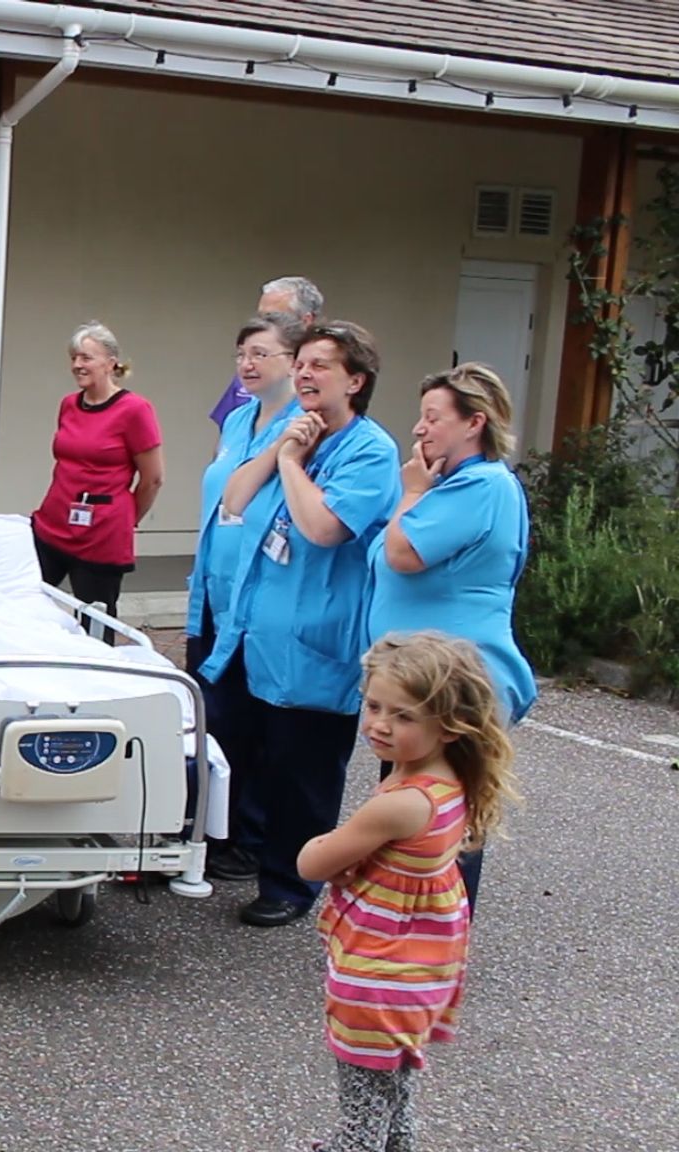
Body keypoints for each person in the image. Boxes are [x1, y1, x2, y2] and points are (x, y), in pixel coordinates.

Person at [199, 321, 401, 927]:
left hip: (317, 636)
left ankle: (292, 882)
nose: (306, 375)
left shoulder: (370, 450)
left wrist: (293, 462)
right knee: (238, 747)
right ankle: (240, 853)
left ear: (356, 382)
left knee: (302, 770)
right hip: (255, 628)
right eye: (304, 364)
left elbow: (322, 528)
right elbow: (233, 499)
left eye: (322, 367)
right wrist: (280, 448)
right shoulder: (293, 431)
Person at [298, 632, 520, 1152]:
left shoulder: (400, 802)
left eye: (403, 716)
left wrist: (330, 851)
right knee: (391, 1091)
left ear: (448, 726)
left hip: (379, 973)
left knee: (359, 1117)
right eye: (373, 705)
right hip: (419, 967)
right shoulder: (449, 782)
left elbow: (313, 861)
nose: (379, 723)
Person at [366, 363, 537, 908]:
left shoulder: (481, 486)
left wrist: (410, 493)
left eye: (434, 418)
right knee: (414, 803)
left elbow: (403, 553)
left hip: (454, 681)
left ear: (475, 423)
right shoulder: (455, 485)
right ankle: (404, 921)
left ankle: (437, 936)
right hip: (419, 681)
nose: (420, 429)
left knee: (443, 812)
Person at [185, 312, 306, 882]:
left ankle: (246, 835)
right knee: (215, 715)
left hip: (259, 590)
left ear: (294, 362)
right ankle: (213, 828)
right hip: (216, 583)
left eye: (261, 354)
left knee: (252, 719)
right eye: (241, 355)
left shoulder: (303, 428)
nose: (247, 365)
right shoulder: (237, 420)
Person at [28, 321, 164, 624]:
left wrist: (127, 518)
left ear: (110, 362)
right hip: (53, 522)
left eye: (87, 357)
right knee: (28, 606)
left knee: (96, 621)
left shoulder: (134, 410)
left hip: (101, 531)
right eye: (74, 358)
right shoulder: (69, 405)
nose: (77, 365)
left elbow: (153, 478)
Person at [209, 276, 323, 428]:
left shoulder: (323, 380)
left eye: (274, 317)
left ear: (306, 321)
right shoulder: (250, 373)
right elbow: (226, 443)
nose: (264, 324)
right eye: (261, 316)